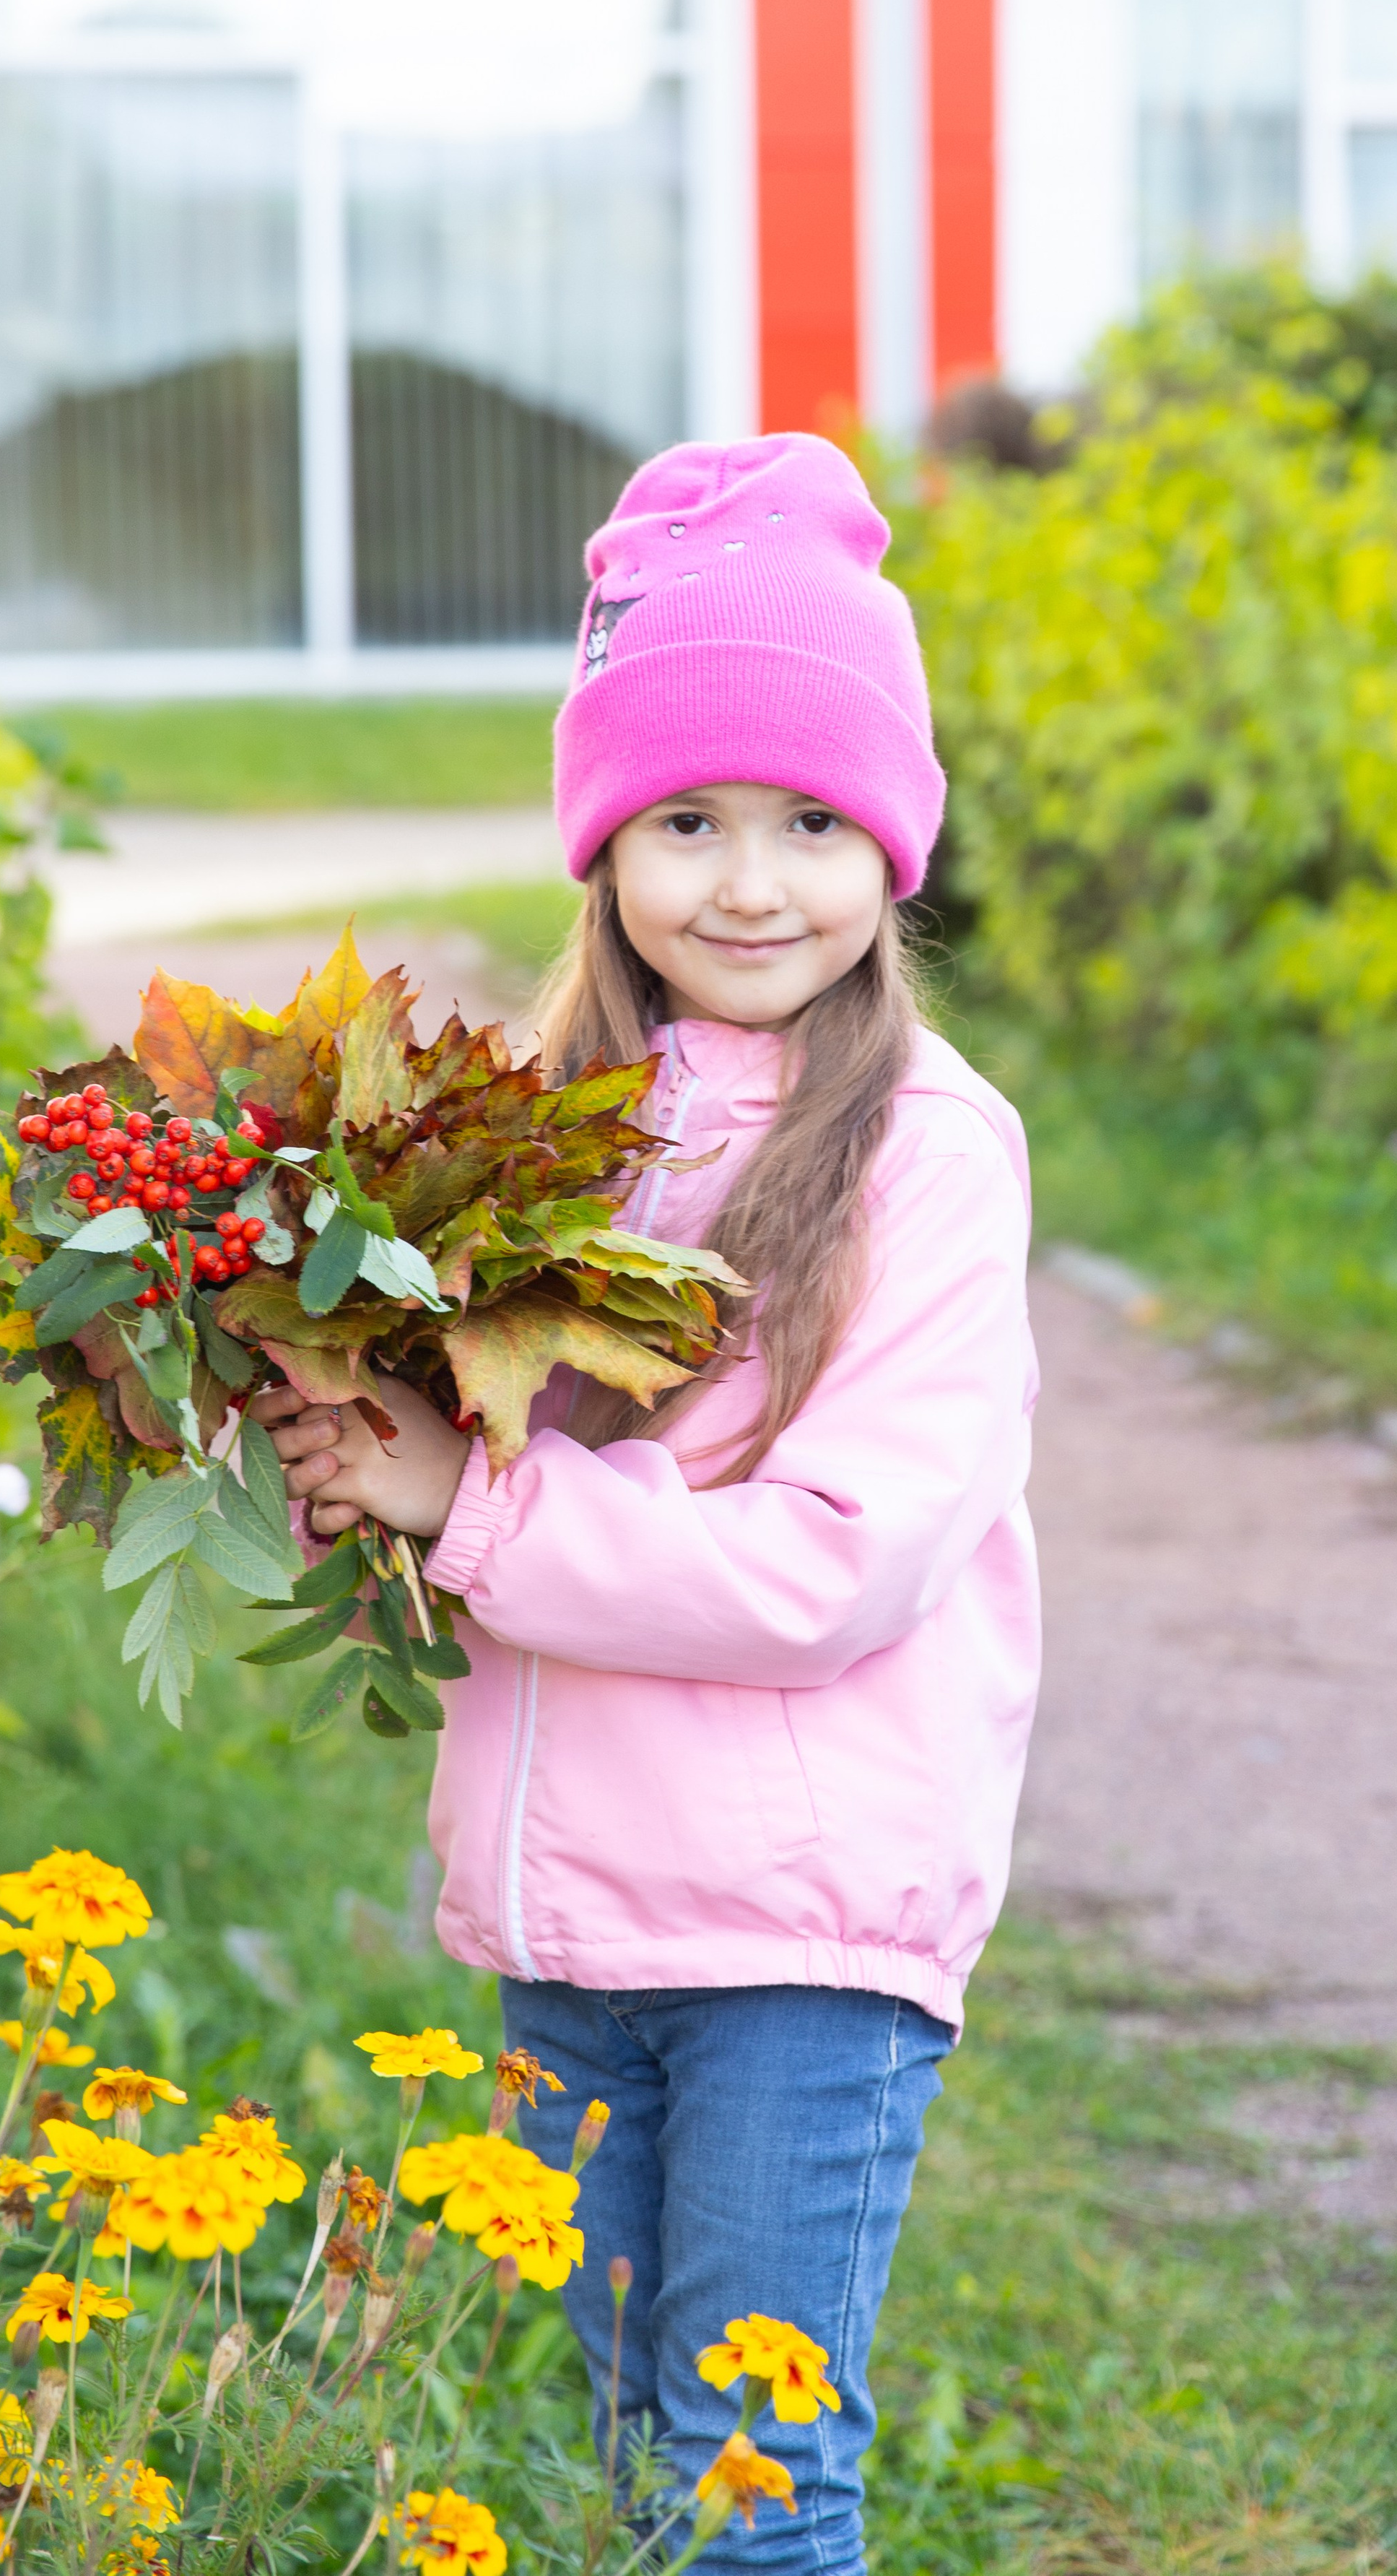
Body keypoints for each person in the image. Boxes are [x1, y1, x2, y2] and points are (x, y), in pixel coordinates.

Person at [260, 433, 1040, 2575]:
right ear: (606, 843)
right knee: (632, 2452)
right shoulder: (545, 1131)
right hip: (573, 1911)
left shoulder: (925, 1154)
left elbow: (836, 1569)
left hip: (800, 1932)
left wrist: (465, 1506)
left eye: (812, 821)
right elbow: (461, 1461)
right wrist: (343, 1454)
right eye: (688, 819)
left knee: (748, 2475)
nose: (751, 881)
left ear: (893, 843)